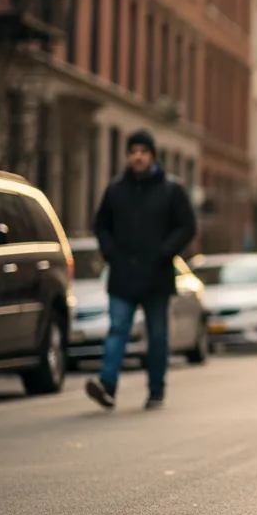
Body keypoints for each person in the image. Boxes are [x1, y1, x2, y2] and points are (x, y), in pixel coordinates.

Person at [85, 130, 197, 412]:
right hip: (123, 275)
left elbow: (187, 226)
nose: (138, 157)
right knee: (117, 329)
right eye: (133, 152)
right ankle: (107, 385)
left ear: (153, 156)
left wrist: (165, 251)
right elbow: (101, 225)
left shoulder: (171, 190)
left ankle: (156, 390)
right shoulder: (115, 190)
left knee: (157, 336)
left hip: (157, 276)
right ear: (127, 156)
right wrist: (110, 252)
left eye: (143, 152)